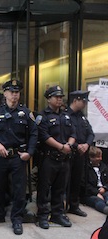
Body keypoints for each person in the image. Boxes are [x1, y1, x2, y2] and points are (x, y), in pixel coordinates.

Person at [0, 79, 38, 235]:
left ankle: (16, 219)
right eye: (12, 92)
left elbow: (35, 133)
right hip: (1, 156)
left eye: (17, 92)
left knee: (19, 190)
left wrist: (30, 152)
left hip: (18, 157)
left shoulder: (26, 113)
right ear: (5, 93)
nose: (14, 95)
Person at [36, 85, 76, 229]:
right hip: (49, 157)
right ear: (48, 99)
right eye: (56, 97)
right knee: (44, 188)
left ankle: (57, 214)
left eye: (61, 97)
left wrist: (69, 145)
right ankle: (42, 216)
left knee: (60, 189)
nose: (59, 99)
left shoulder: (65, 115)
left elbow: (73, 133)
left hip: (64, 158)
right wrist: (61, 147)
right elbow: (44, 135)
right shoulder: (43, 116)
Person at [65, 90, 95, 217]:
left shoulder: (82, 117)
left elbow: (90, 134)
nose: (84, 104)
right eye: (83, 101)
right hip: (68, 153)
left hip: (81, 154)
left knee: (77, 180)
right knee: (65, 181)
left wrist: (87, 145)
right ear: (75, 100)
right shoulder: (65, 115)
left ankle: (74, 205)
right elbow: (65, 135)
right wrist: (77, 146)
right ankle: (62, 206)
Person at [83, 146, 108, 215]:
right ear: (91, 158)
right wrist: (96, 193)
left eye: (100, 156)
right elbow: (84, 184)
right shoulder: (85, 168)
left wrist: (104, 188)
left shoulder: (104, 167)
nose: (100, 159)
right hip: (90, 193)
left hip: (103, 190)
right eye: (98, 157)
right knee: (98, 201)